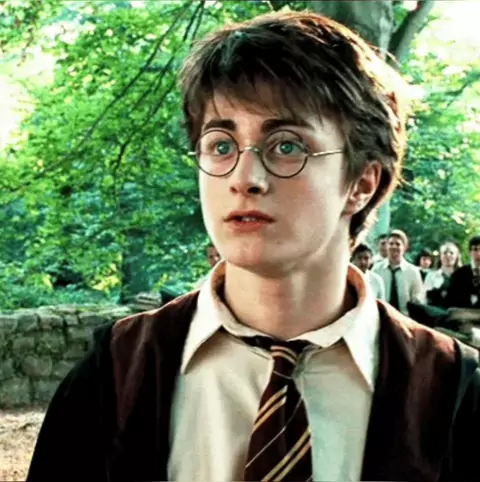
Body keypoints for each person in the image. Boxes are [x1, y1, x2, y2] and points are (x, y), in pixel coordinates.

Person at [27, 11, 480, 482]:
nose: (245, 178)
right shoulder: (114, 377)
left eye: (286, 146)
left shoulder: (451, 392)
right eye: (221, 145)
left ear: (362, 183)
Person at [372, 229, 426, 315]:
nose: (394, 247)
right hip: (381, 316)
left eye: (398, 244)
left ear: (405, 247)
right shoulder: (376, 269)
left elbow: (418, 299)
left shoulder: (413, 272)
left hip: (405, 316)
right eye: (391, 244)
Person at [424, 241, 461, 308]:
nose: (448, 255)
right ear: (440, 256)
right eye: (445, 253)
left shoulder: (463, 276)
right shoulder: (431, 276)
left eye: (451, 253)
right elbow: (425, 299)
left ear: (457, 256)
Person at [447, 234, 480, 308]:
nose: (479, 253)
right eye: (475, 249)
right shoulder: (458, 274)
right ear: (470, 252)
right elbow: (451, 301)